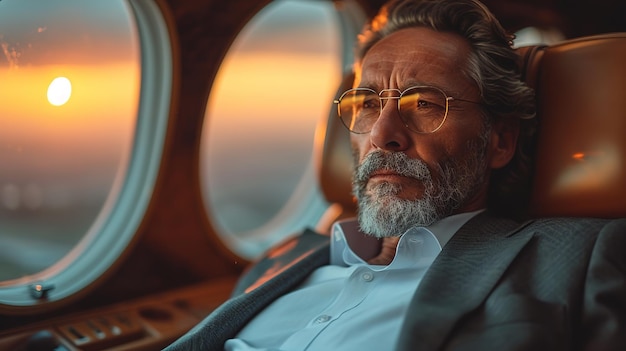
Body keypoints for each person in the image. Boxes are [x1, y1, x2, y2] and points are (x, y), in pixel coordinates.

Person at [165, 0, 626, 350]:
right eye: (367, 104)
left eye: (424, 104)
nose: (384, 134)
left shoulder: (577, 257)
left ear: (499, 142)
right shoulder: (285, 258)